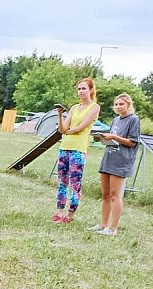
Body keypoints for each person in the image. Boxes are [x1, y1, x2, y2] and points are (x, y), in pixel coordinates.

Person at [88, 93, 141, 236]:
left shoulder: (134, 120)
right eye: (116, 104)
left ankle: (113, 228)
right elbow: (112, 139)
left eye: (121, 104)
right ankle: (103, 224)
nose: (117, 107)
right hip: (108, 158)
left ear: (128, 105)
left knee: (115, 195)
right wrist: (101, 138)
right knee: (105, 194)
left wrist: (114, 137)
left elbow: (133, 142)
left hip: (121, 161)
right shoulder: (115, 120)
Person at [53, 78, 100, 223]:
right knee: (62, 181)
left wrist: (68, 131)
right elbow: (62, 129)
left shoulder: (94, 107)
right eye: (79, 89)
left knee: (75, 183)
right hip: (64, 147)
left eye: (84, 88)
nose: (81, 91)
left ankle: (70, 214)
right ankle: (59, 211)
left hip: (78, 149)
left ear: (91, 90)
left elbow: (80, 128)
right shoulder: (74, 108)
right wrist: (60, 115)